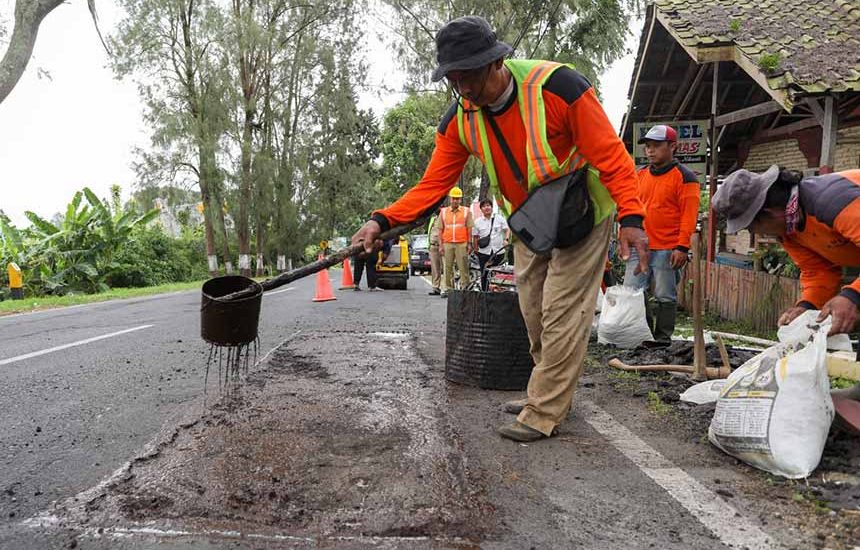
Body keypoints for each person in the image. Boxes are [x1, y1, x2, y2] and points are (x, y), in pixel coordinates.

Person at [351, 15, 647, 442]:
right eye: (455, 80)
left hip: (584, 212)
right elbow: (432, 186)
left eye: (470, 75)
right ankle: (548, 388)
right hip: (532, 222)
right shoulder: (459, 120)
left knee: (562, 310)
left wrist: (633, 217)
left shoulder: (558, 89)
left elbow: (612, 156)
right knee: (533, 310)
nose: (465, 89)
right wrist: (381, 220)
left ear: (496, 63)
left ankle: (544, 408)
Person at [712, 167, 860, 399]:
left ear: (770, 213)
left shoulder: (834, 202)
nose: (753, 232)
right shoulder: (789, 227)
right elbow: (818, 270)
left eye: (752, 226)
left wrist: (853, 296)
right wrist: (808, 306)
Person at [624, 124, 701, 342]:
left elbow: (689, 216)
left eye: (656, 146)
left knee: (664, 295)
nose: (650, 150)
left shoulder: (686, 178)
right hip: (641, 247)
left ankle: (663, 338)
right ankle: (645, 334)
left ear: (673, 146)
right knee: (633, 292)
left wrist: (682, 247)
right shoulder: (641, 176)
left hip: (668, 248)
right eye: (648, 146)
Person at [438, 187, 473, 297]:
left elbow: (469, 228)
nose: (455, 201)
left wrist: (469, 243)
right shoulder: (443, 212)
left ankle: (465, 288)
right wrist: (440, 245)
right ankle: (448, 289)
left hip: (461, 243)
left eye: (458, 199)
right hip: (447, 243)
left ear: (460, 200)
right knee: (447, 267)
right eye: (454, 198)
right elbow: (440, 230)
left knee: (463, 266)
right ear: (450, 199)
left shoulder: (466, 211)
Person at [472, 198, 510, 290]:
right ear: (481, 209)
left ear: (492, 207)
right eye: (484, 206)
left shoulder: (499, 218)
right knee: (484, 274)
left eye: (488, 205)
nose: (486, 208)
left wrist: (506, 239)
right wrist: (475, 248)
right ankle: (485, 293)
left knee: (498, 274)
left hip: (498, 252)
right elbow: (475, 237)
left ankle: (498, 292)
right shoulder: (477, 222)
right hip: (484, 253)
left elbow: (507, 229)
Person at [427, 206, 444, 295]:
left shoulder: (445, 217)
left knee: (446, 267)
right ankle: (436, 287)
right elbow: (429, 232)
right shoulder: (433, 219)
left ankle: (446, 288)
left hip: (443, 246)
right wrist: (429, 245)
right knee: (435, 268)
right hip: (433, 246)